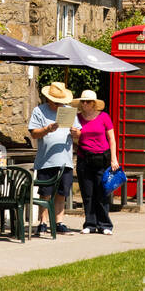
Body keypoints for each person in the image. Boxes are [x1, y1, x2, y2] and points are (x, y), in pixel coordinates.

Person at [29, 81, 80, 235]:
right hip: (46, 160)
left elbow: (79, 135)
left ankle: (59, 222)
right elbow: (33, 133)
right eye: (55, 101)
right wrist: (47, 129)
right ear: (48, 99)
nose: (57, 104)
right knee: (45, 192)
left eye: (60, 101)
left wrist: (76, 133)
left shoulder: (69, 111)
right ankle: (43, 222)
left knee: (62, 193)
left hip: (65, 160)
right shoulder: (39, 111)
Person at [71, 89, 119, 234]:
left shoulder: (104, 117)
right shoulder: (76, 118)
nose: (84, 103)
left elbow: (112, 139)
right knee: (87, 193)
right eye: (83, 101)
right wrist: (76, 136)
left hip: (102, 158)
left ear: (94, 104)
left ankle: (105, 225)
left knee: (102, 193)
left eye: (88, 101)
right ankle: (90, 224)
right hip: (84, 158)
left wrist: (113, 158)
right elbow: (74, 141)